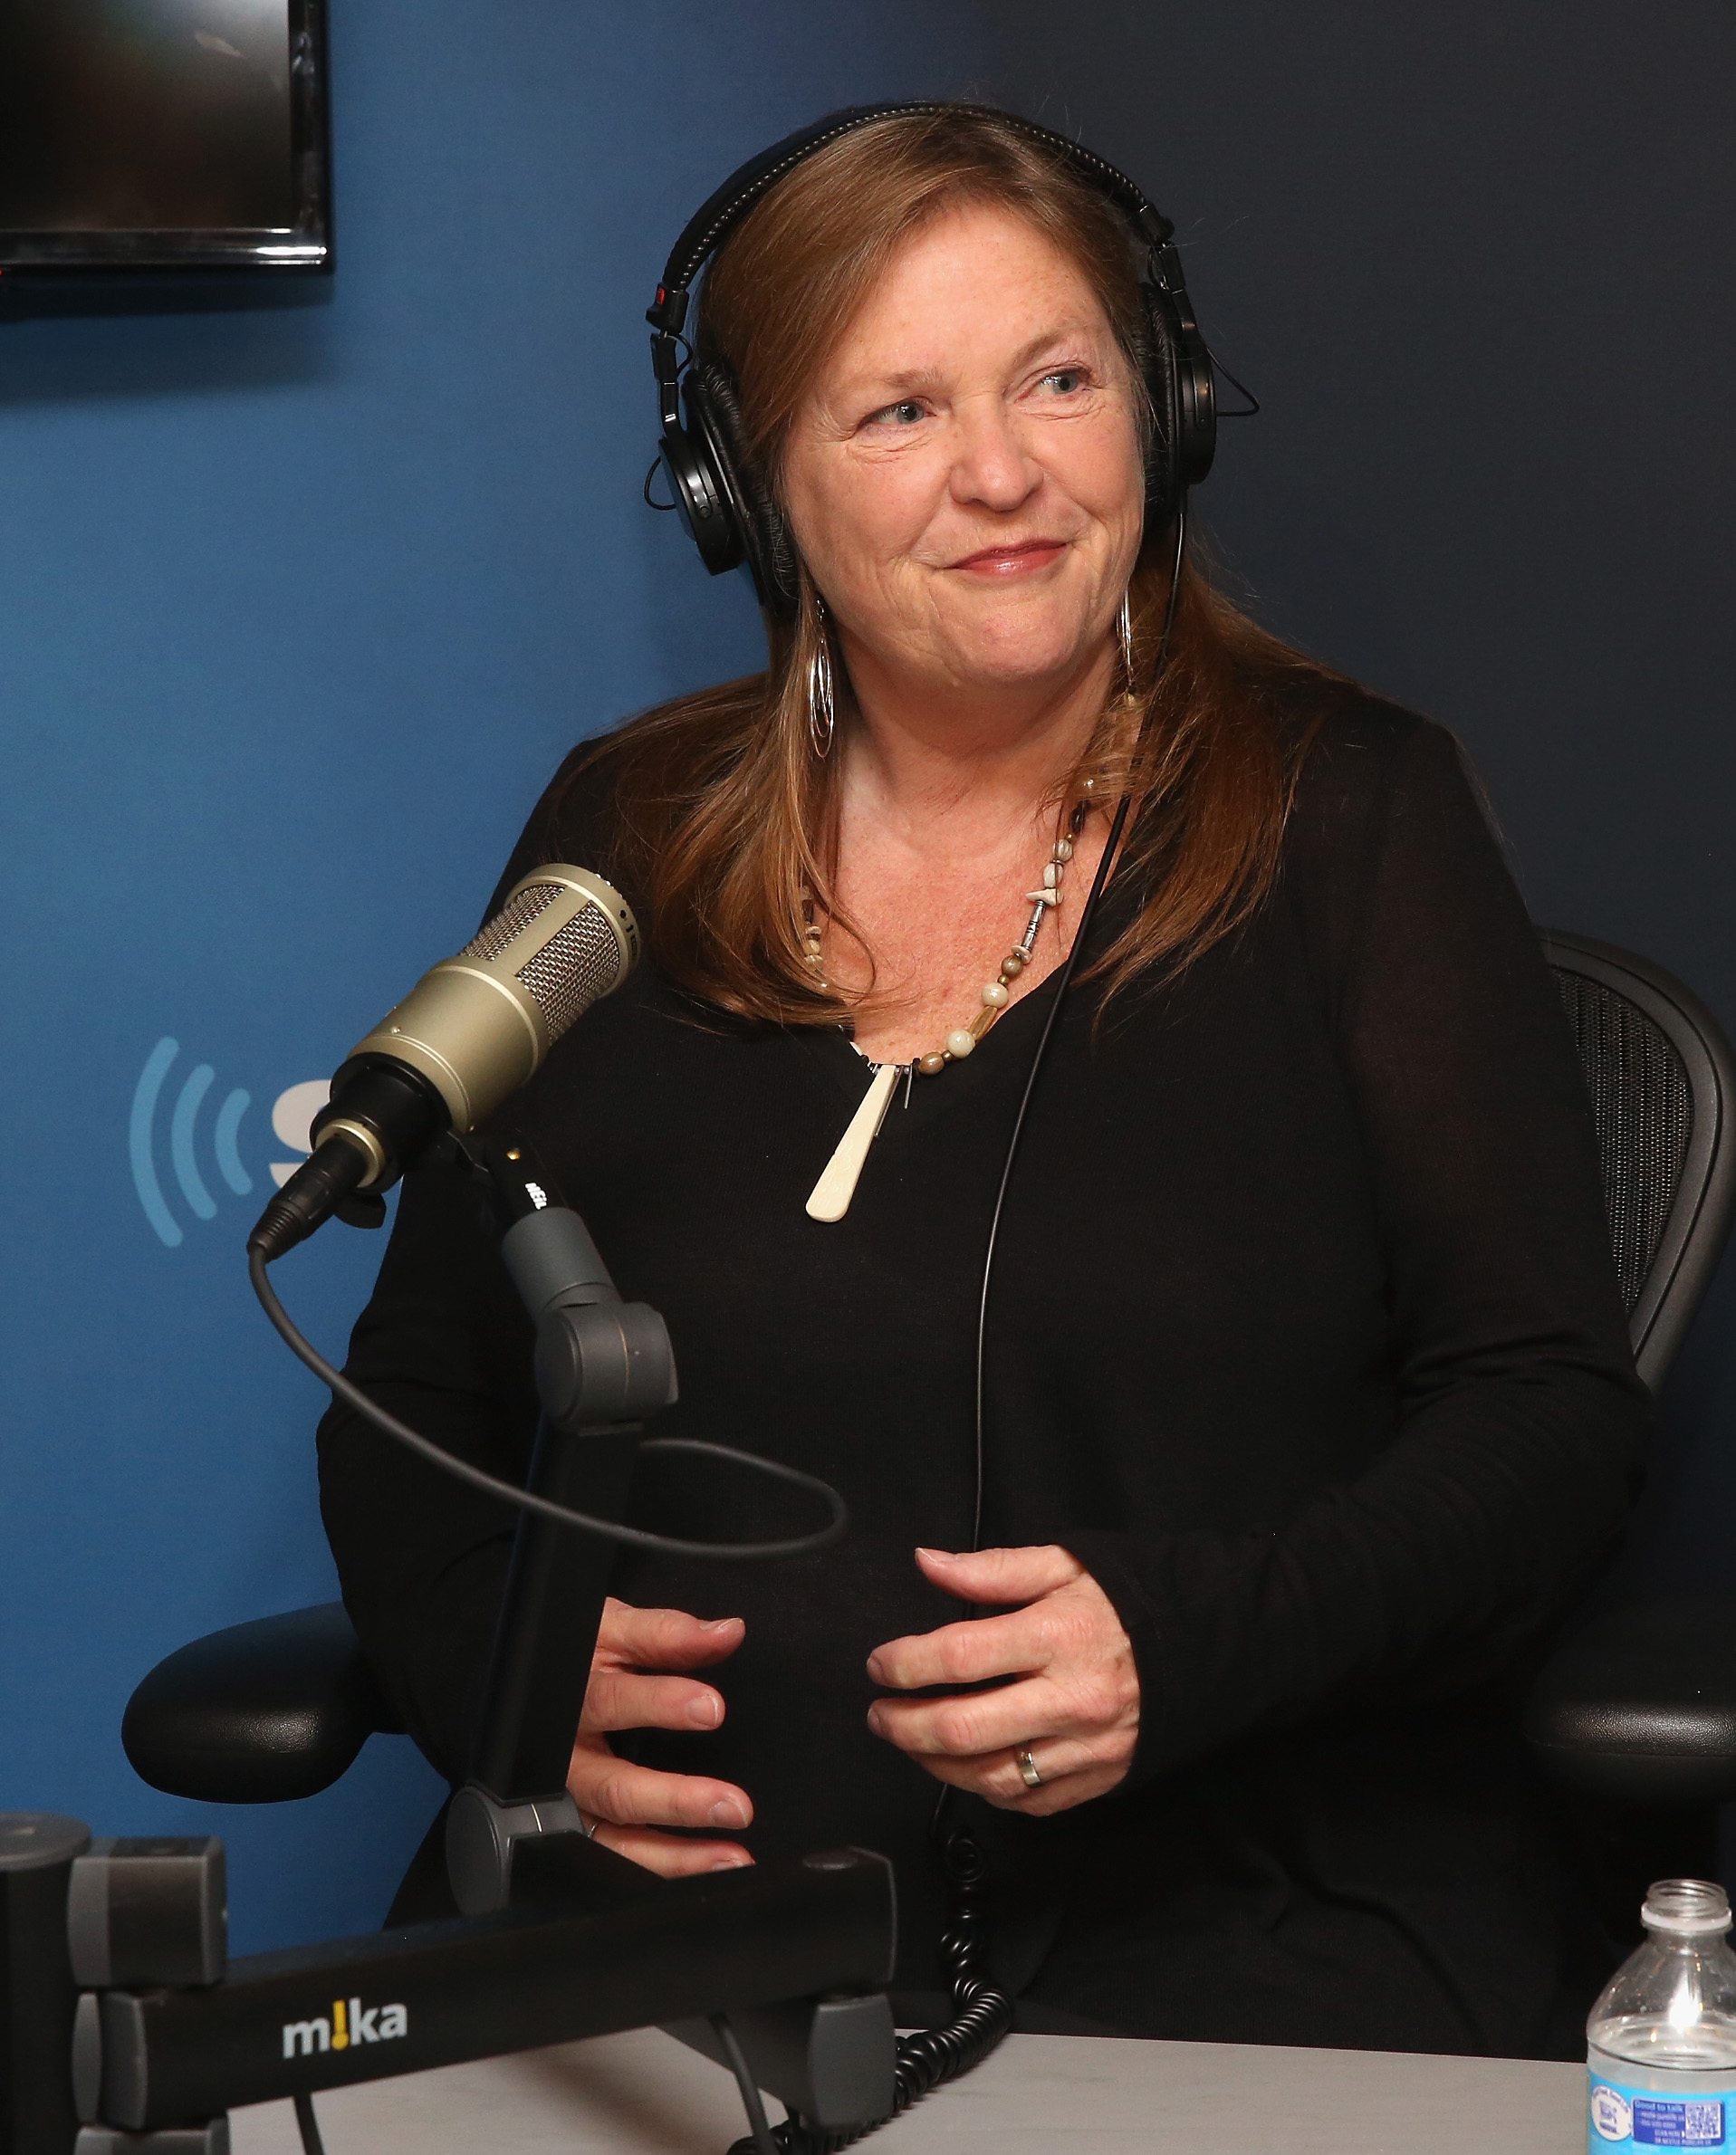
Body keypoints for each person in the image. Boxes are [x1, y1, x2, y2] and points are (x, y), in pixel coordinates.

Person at [318, 104, 1645, 2057]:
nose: (1003, 473)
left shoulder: (1350, 809)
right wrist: (492, 1677)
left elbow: (1546, 1416)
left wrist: (1186, 1640)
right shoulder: (627, 831)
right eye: (897, 413)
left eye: (1058, 378)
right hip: (662, 1941)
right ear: (744, 491)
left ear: (1160, 409)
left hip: (1234, 1932)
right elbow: (411, 1395)